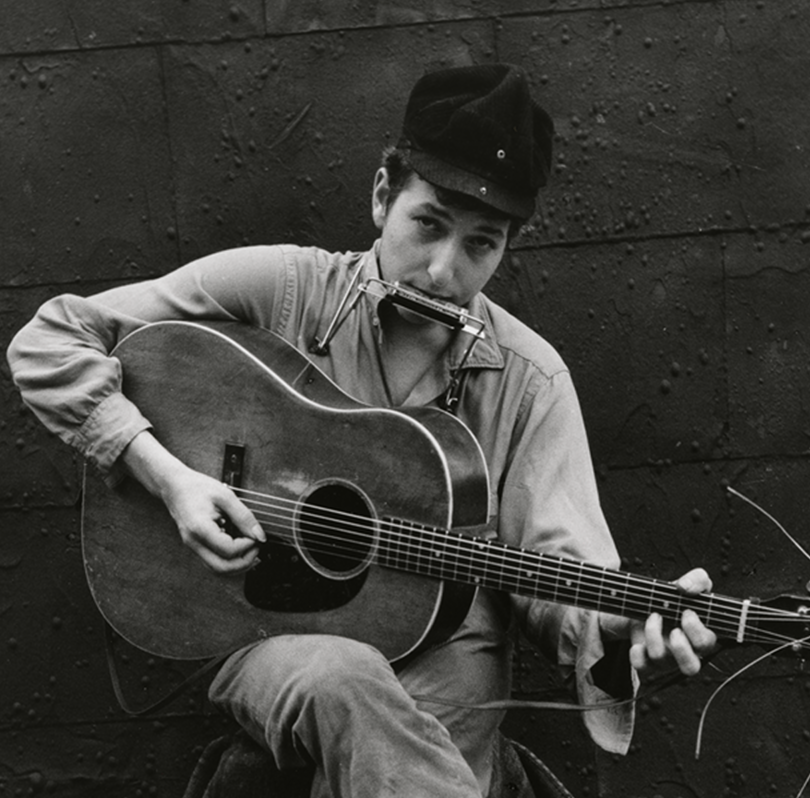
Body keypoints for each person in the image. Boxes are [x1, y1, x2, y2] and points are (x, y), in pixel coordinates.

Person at [7, 64, 717, 798]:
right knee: (343, 678)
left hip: (451, 664)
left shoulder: (530, 382)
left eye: (481, 245)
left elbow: (568, 578)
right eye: (429, 225)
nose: (444, 271)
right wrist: (168, 476)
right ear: (383, 195)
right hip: (279, 643)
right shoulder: (281, 289)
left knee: (420, 740)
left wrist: (622, 632)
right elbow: (51, 339)